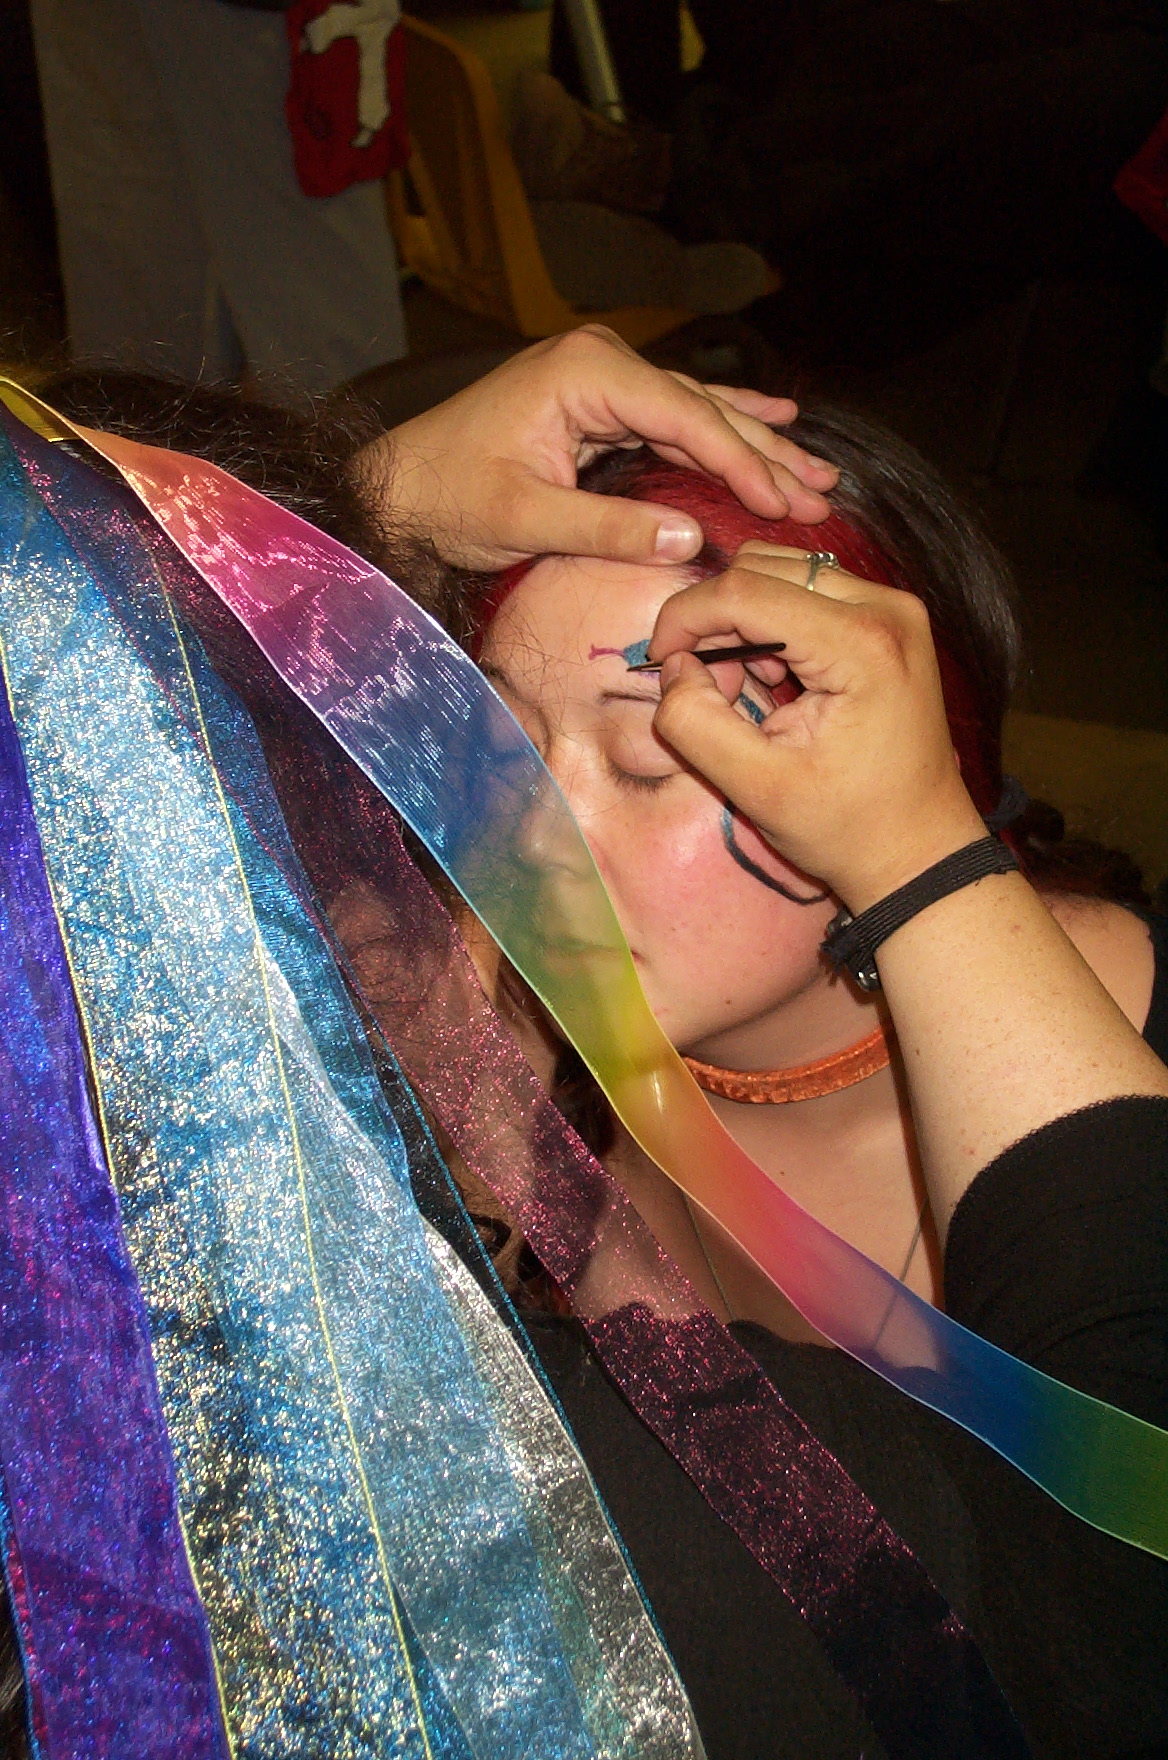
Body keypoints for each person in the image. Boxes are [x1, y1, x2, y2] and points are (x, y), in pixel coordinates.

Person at [1, 334, 1165, 1758]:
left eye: (649, 757)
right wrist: (375, 515)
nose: (521, 840)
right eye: (483, 735)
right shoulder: (467, 1074)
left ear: (915, 771)